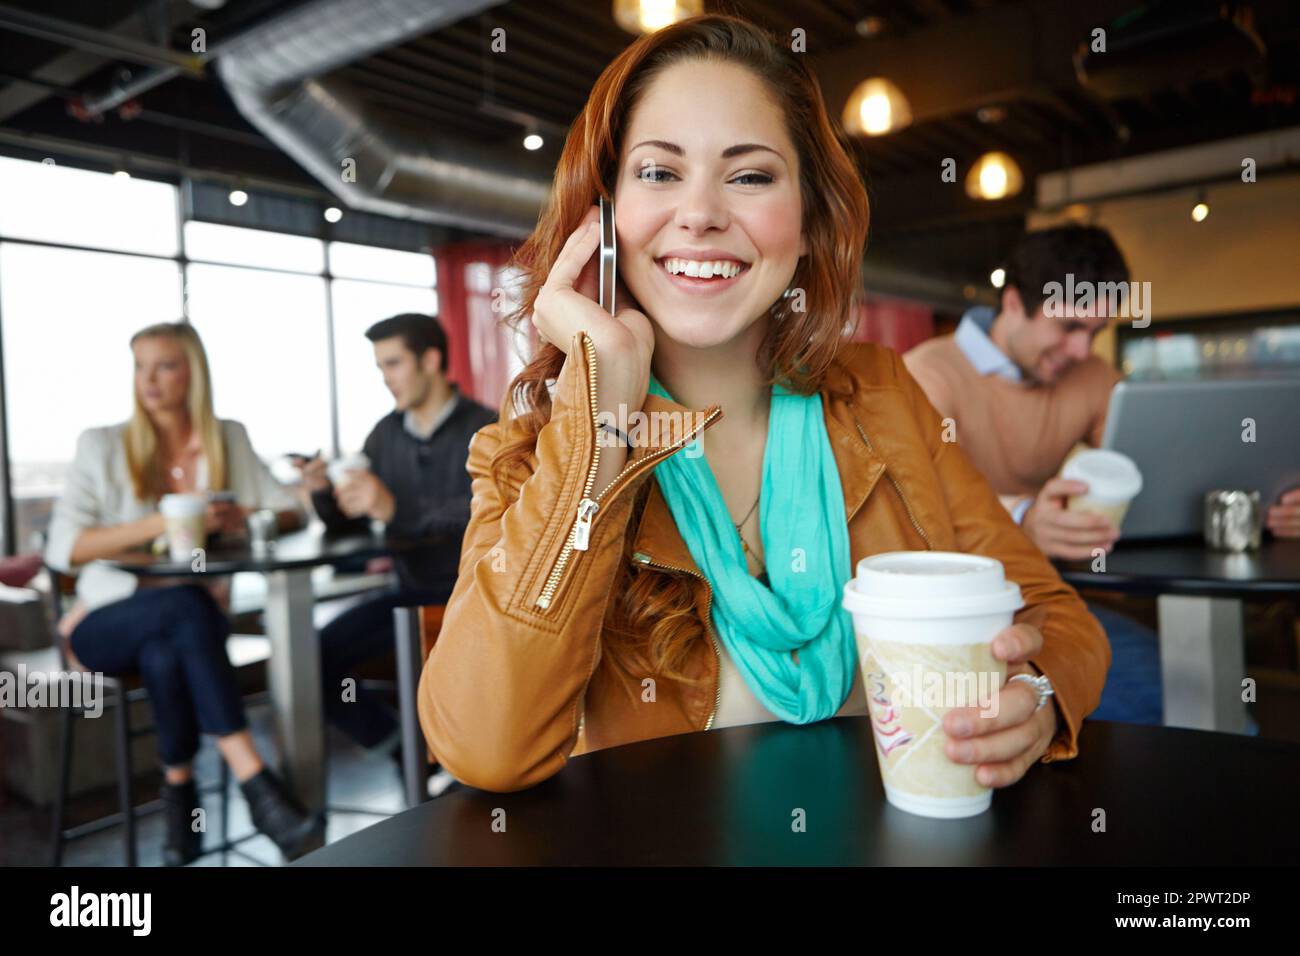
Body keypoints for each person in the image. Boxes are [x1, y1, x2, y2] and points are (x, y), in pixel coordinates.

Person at [416, 13, 1110, 793]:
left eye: (750, 176)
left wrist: (1039, 697)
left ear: (811, 222)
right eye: (657, 172)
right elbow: (483, 747)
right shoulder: (528, 446)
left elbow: (1054, 613)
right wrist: (598, 428)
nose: (702, 213)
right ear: (600, 215)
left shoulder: (882, 392)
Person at [44, 321, 322, 864]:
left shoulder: (228, 439)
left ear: (192, 372)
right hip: (105, 623)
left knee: (170, 645)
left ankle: (180, 801)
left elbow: (288, 509)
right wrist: (159, 523)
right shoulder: (102, 445)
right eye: (140, 366)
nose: (148, 380)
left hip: (190, 627)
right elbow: (64, 547)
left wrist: (240, 515)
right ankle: (254, 781)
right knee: (185, 607)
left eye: (164, 365)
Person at [903, 226, 1169, 726]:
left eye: (1095, 332)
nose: (1081, 350)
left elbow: (1155, 467)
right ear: (1013, 302)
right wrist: (1023, 518)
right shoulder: (926, 375)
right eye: (1068, 325)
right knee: (1157, 686)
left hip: (1045, 595)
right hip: (958, 610)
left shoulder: (1089, 376)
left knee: (1171, 676)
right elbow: (919, 502)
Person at [296, 314, 495, 759]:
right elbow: (354, 523)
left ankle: (429, 761)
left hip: (471, 599)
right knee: (310, 658)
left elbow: (492, 516)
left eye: (393, 364)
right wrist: (323, 495)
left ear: (430, 360)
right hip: (407, 596)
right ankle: (403, 751)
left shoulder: (487, 428)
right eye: (380, 367)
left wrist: (395, 510)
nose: (386, 379)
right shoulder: (384, 435)